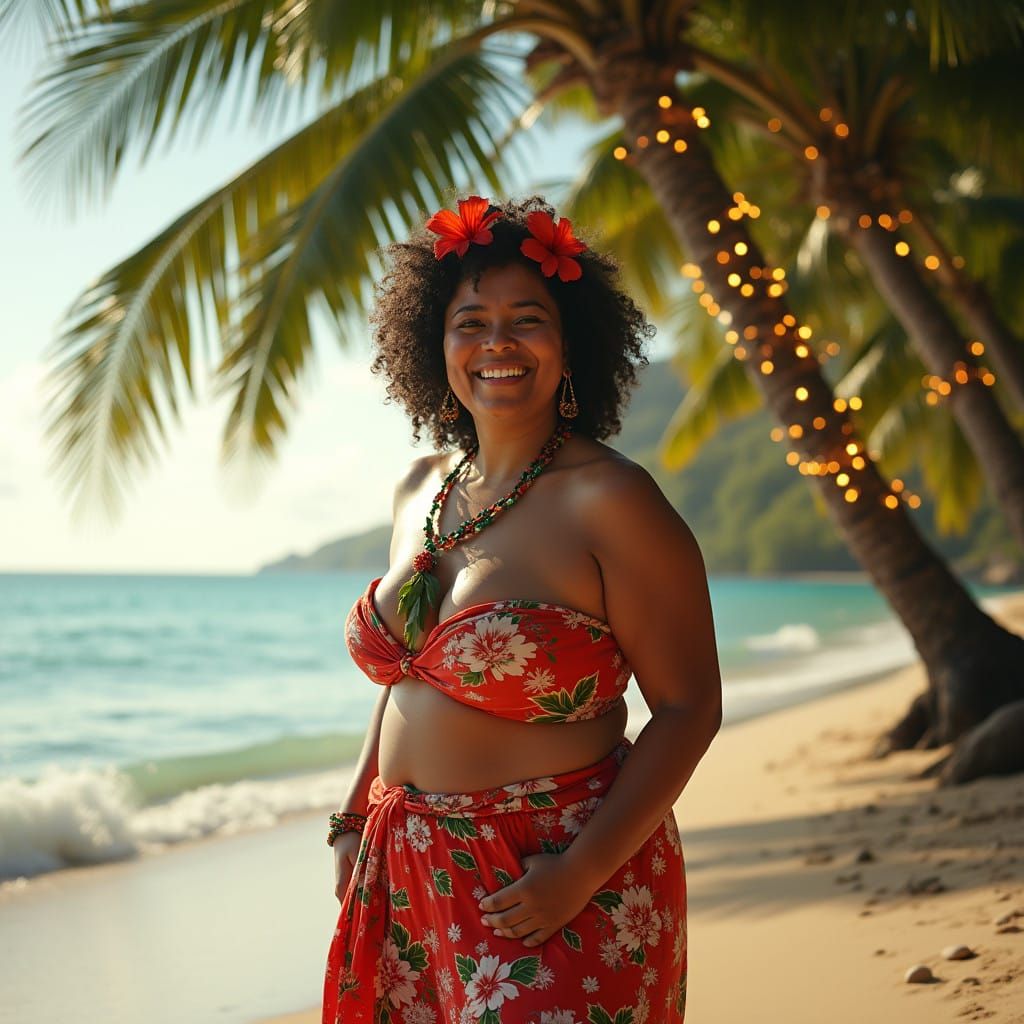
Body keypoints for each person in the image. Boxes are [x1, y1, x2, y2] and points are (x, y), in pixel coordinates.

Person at [321, 195, 722, 1024]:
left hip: (555, 873)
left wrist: (578, 873)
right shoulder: (419, 489)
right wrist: (353, 816)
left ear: (570, 342)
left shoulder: (611, 499)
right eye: (470, 322)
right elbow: (401, 677)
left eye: (527, 319)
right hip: (407, 872)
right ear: (434, 345)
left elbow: (689, 710)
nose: (497, 343)